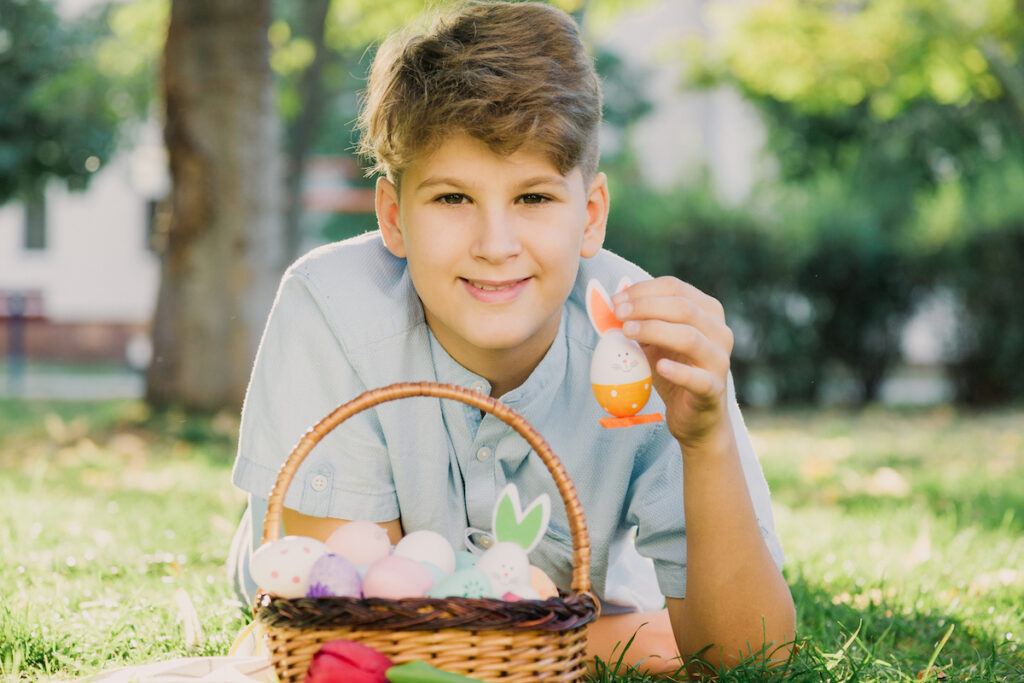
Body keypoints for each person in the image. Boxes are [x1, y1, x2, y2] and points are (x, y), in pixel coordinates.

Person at [227, 0, 795, 674]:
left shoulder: (646, 344)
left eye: (533, 198)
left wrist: (706, 441)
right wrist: (625, 639)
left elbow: (750, 653)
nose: (495, 246)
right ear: (393, 215)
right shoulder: (331, 308)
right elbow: (358, 630)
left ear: (590, 216)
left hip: (586, 587)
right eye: (451, 198)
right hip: (416, 565)